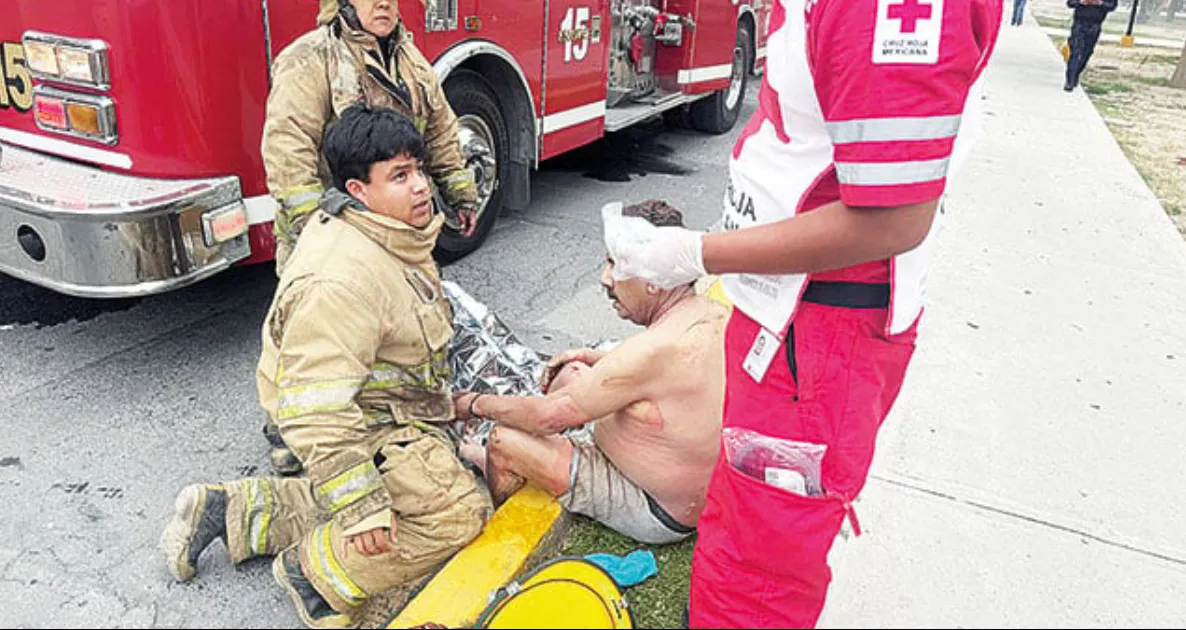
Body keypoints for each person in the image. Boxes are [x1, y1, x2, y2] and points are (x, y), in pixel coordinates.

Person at [603, 0, 1003, 627]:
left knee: (761, 573)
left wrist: (696, 252)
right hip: (795, 319)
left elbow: (893, 215)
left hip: (816, 337)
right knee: (744, 529)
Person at [160, 105, 489, 629]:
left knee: (433, 483)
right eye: (400, 176)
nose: (422, 187)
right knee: (455, 514)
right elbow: (316, 409)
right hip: (347, 422)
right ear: (358, 191)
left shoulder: (389, 232)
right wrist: (362, 506)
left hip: (380, 408)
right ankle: (315, 577)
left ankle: (237, 512)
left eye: (420, 170)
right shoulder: (342, 277)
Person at [261, 0, 481, 476]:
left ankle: (376, 414)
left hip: (393, 229)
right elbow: (288, 148)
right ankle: (288, 429)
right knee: (312, 333)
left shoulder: (408, 58)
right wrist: (314, 236)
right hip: (333, 227)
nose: (384, 2)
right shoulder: (308, 59)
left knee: (387, 329)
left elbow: (439, 129)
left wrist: (459, 190)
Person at [454, 200, 729, 545]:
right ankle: (533, 458)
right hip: (700, 488)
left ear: (654, 282)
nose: (605, 277)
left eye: (616, 264)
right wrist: (591, 357)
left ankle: (506, 515)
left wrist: (473, 403)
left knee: (503, 440)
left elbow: (546, 418)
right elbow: (668, 376)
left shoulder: (653, 350)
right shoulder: (712, 313)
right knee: (573, 371)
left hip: (658, 510)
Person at [1065, 0, 1118, 91]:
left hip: (1095, 25)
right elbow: (1070, 3)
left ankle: (1076, 73)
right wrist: (1081, 2)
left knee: (1087, 53)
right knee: (1075, 51)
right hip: (1079, 23)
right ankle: (1069, 80)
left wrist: (1099, 3)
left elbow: (1112, 6)